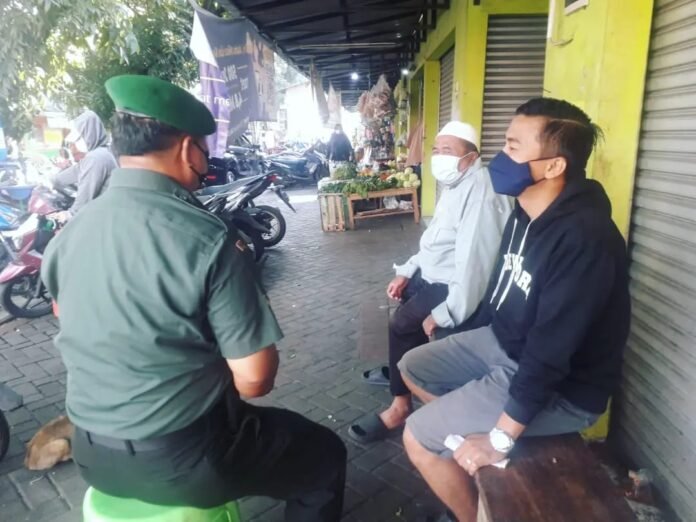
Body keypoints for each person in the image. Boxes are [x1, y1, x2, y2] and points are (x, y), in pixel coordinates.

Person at [41, 75, 346, 522]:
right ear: (188, 150)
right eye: (204, 149)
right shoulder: (207, 238)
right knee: (324, 458)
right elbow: (255, 379)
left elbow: (65, 313)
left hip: (90, 452)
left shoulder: (70, 234)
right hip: (185, 457)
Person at [398, 98, 631, 522]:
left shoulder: (585, 239)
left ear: (554, 166)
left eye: (513, 147)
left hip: (562, 386)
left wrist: (501, 438)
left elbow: (549, 354)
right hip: (503, 345)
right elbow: (501, 292)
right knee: (412, 367)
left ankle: (472, 509)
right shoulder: (525, 211)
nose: (501, 158)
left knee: (416, 436)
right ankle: (467, 448)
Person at [348, 122, 513, 444]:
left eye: (447, 150)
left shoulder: (481, 191)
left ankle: (400, 406)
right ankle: (401, 369)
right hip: (434, 275)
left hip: (452, 286)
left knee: (400, 325)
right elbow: (435, 242)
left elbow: (475, 263)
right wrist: (407, 270)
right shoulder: (456, 185)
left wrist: (447, 312)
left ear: (470, 157)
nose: (438, 156)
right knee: (404, 298)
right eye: (436, 149)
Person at [50, 110, 116, 216]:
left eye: (75, 141)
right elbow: (74, 171)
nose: (72, 147)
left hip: (104, 217)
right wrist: (51, 181)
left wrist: (68, 215)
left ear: (88, 135)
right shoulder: (102, 152)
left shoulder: (95, 158)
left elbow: (82, 203)